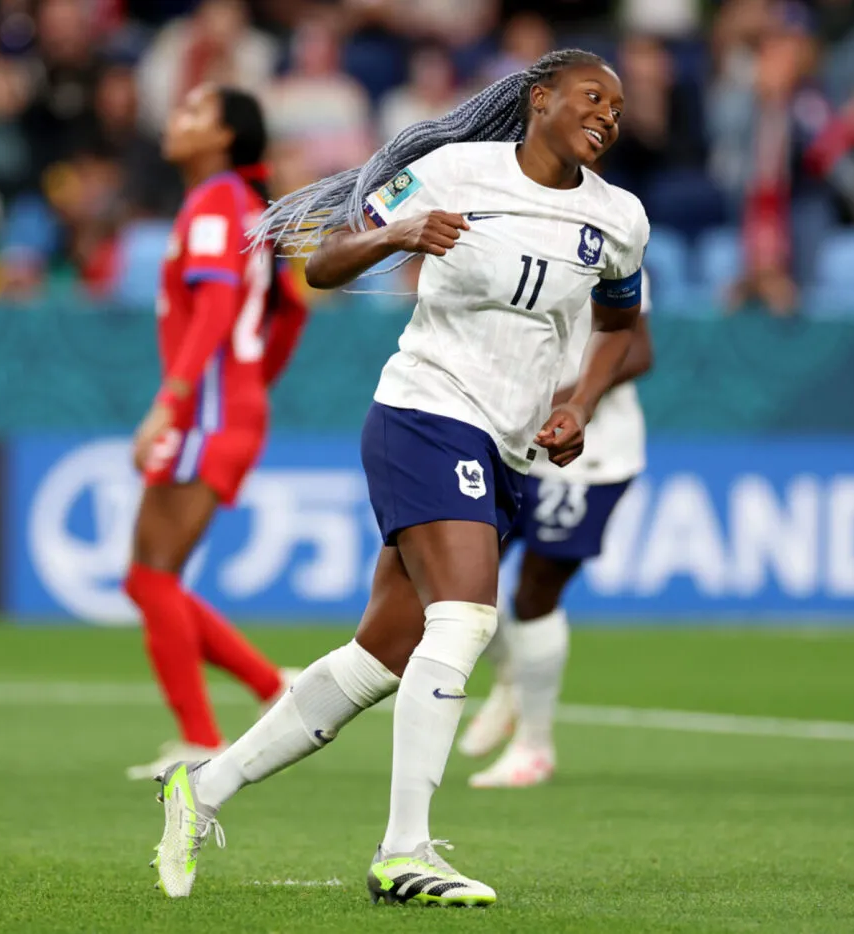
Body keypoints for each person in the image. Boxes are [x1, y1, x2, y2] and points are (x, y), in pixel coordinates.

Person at [150, 49, 650, 907]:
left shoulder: (619, 219)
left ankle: (204, 788)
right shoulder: (454, 170)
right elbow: (324, 265)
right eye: (590, 96)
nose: (609, 113)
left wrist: (581, 403)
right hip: (423, 409)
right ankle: (404, 852)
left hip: (505, 443)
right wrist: (396, 233)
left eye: (619, 104)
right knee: (465, 619)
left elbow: (622, 328)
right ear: (539, 101)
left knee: (379, 658)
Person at [124, 84, 309, 781]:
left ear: (227, 137)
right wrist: (253, 382)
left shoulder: (215, 200)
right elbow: (290, 311)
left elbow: (217, 305)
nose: (177, 119)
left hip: (204, 409)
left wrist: (173, 399)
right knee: (148, 576)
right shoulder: (245, 206)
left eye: (194, 112)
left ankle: (203, 736)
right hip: (224, 404)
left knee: (151, 575)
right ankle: (273, 689)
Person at [458, 275, 655, 787]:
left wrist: (562, 401)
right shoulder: (510, 238)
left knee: (533, 594)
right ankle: (511, 680)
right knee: (458, 577)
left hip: (585, 454)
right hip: (511, 447)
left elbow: (637, 352)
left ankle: (534, 746)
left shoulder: (606, 244)